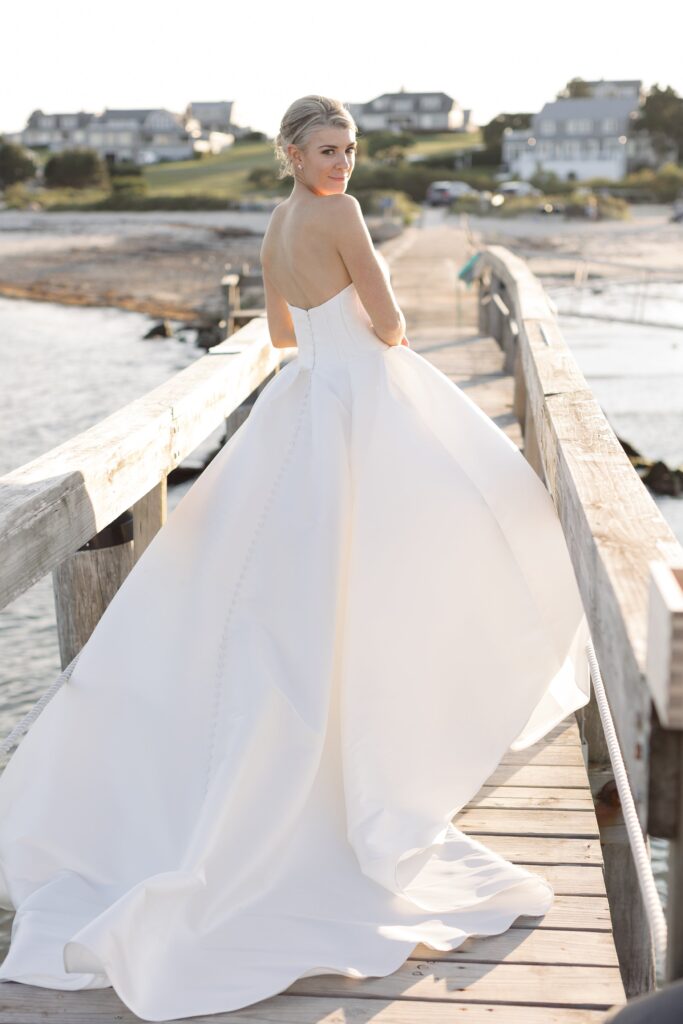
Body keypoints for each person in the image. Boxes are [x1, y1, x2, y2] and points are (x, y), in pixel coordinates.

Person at [0, 95, 591, 1021]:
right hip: (360, 395)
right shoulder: (342, 215)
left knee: (296, 590)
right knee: (460, 524)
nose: (343, 164)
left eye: (350, 150)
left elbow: (280, 336)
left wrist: (327, 321)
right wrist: (367, 322)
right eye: (327, 150)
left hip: (304, 403)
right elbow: (392, 324)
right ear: (290, 151)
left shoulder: (279, 220)